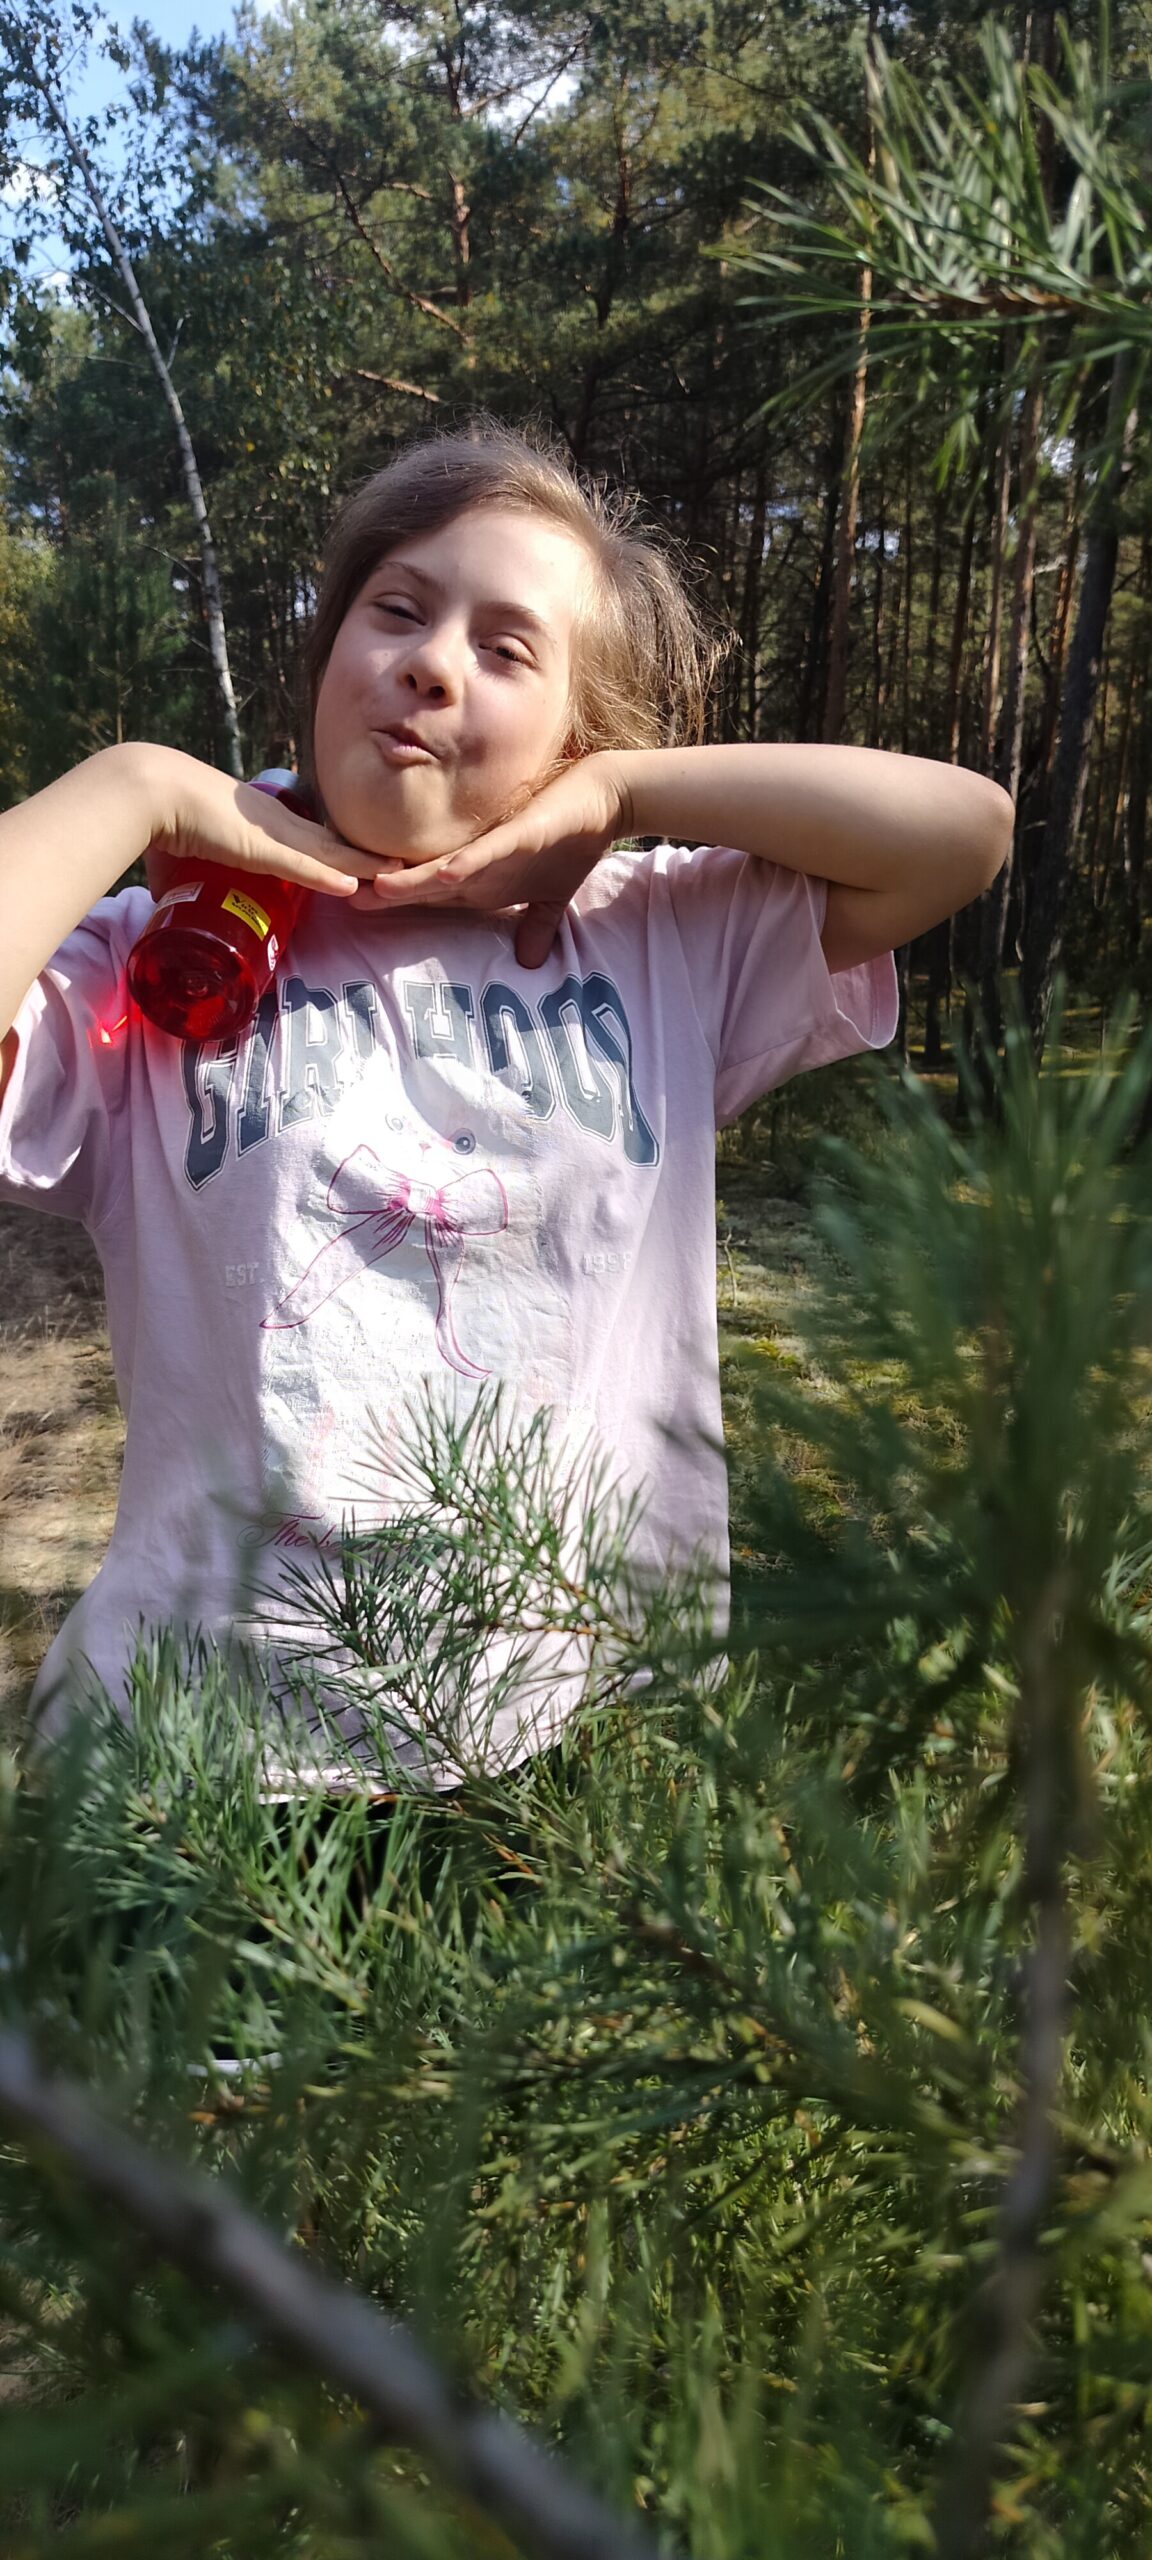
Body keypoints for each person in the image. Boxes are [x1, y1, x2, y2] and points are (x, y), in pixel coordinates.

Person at [0, 425, 1012, 1783]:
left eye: (508, 648)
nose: (431, 662)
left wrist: (628, 791)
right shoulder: (167, 954)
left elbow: (963, 832)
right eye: (396, 610)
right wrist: (136, 785)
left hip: (565, 1754)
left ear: (572, 739)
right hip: (197, 1770)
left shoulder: (657, 935)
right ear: (327, 656)